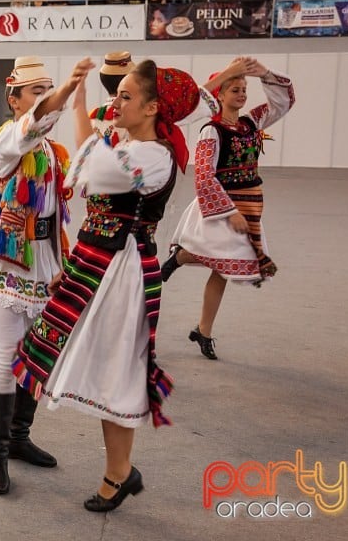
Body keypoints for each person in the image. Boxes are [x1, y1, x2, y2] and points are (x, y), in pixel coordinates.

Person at [13, 60, 206, 512]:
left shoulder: (153, 156)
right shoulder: (131, 143)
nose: (115, 103)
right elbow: (93, 185)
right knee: (100, 369)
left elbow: (88, 168)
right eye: (116, 94)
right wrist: (77, 262)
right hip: (100, 261)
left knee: (115, 373)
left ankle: (119, 473)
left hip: (123, 273)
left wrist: (79, 102)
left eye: (125, 96)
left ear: (154, 107)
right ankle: (117, 470)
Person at [0, 56, 93, 496]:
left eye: (47, 90)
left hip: (42, 259)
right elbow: (33, 125)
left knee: (38, 356)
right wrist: (63, 93)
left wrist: (60, 263)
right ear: (14, 97)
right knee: (6, 357)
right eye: (35, 92)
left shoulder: (46, 149)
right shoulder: (9, 137)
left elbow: (53, 211)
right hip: (9, 263)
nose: (42, 99)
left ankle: (19, 438)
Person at [161, 58, 295, 360]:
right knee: (223, 261)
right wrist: (228, 211)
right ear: (219, 95)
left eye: (244, 89)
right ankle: (180, 256)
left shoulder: (251, 123)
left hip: (248, 203)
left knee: (223, 267)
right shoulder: (211, 131)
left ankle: (203, 330)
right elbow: (204, 175)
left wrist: (266, 74)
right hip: (221, 204)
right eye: (235, 89)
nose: (242, 94)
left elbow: (283, 103)